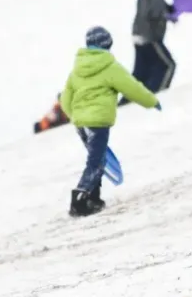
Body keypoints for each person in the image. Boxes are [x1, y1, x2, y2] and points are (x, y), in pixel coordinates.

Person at [59, 26, 160, 217]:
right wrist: (151, 101)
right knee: (96, 161)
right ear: (107, 44)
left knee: (97, 158)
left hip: (81, 123)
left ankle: (93, 198)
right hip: (97, 122)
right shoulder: (110, 67)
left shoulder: (76, 70)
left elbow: (65, 99)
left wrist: (76, 117)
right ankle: (79, 199)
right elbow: (132, 88)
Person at [124, 0, 176, 103]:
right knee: (167, 66)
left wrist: (168, 9)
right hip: (149, 36)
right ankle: (154, 98)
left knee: (141, 73)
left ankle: (125, 105)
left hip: (139, 34)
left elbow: (154, 6)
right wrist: (167, 15)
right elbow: (152, 11)